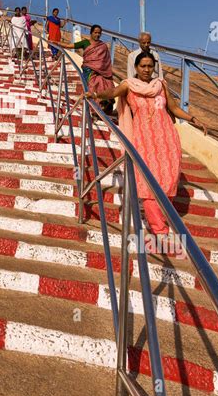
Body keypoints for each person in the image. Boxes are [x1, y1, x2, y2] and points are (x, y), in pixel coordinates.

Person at [86, 51, 206, 250]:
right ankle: (159, 230)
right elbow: (112, 93)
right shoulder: (129, 85)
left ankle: (161, 217)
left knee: (169, 179)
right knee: (149, 183)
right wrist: (96, 94)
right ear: (136, 67)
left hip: (167, 138)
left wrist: (193, 119)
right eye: (143, 66)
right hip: (144, 139)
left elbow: (174, 109)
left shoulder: (161, 85)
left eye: (150, 66)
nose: (147, 70)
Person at [71, 24, 115, 114]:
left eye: (99, 33)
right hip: (89, 71)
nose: (97, 35)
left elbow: (106, 61)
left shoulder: (103, 46)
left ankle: (101, 109)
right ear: (91, 33)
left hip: (102, 72)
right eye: (95, 32)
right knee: (91, 88)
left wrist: (102, 69)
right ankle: (92, 109)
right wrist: (58, 43)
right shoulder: (85, 43)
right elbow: (71, 46)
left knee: (104, 86)